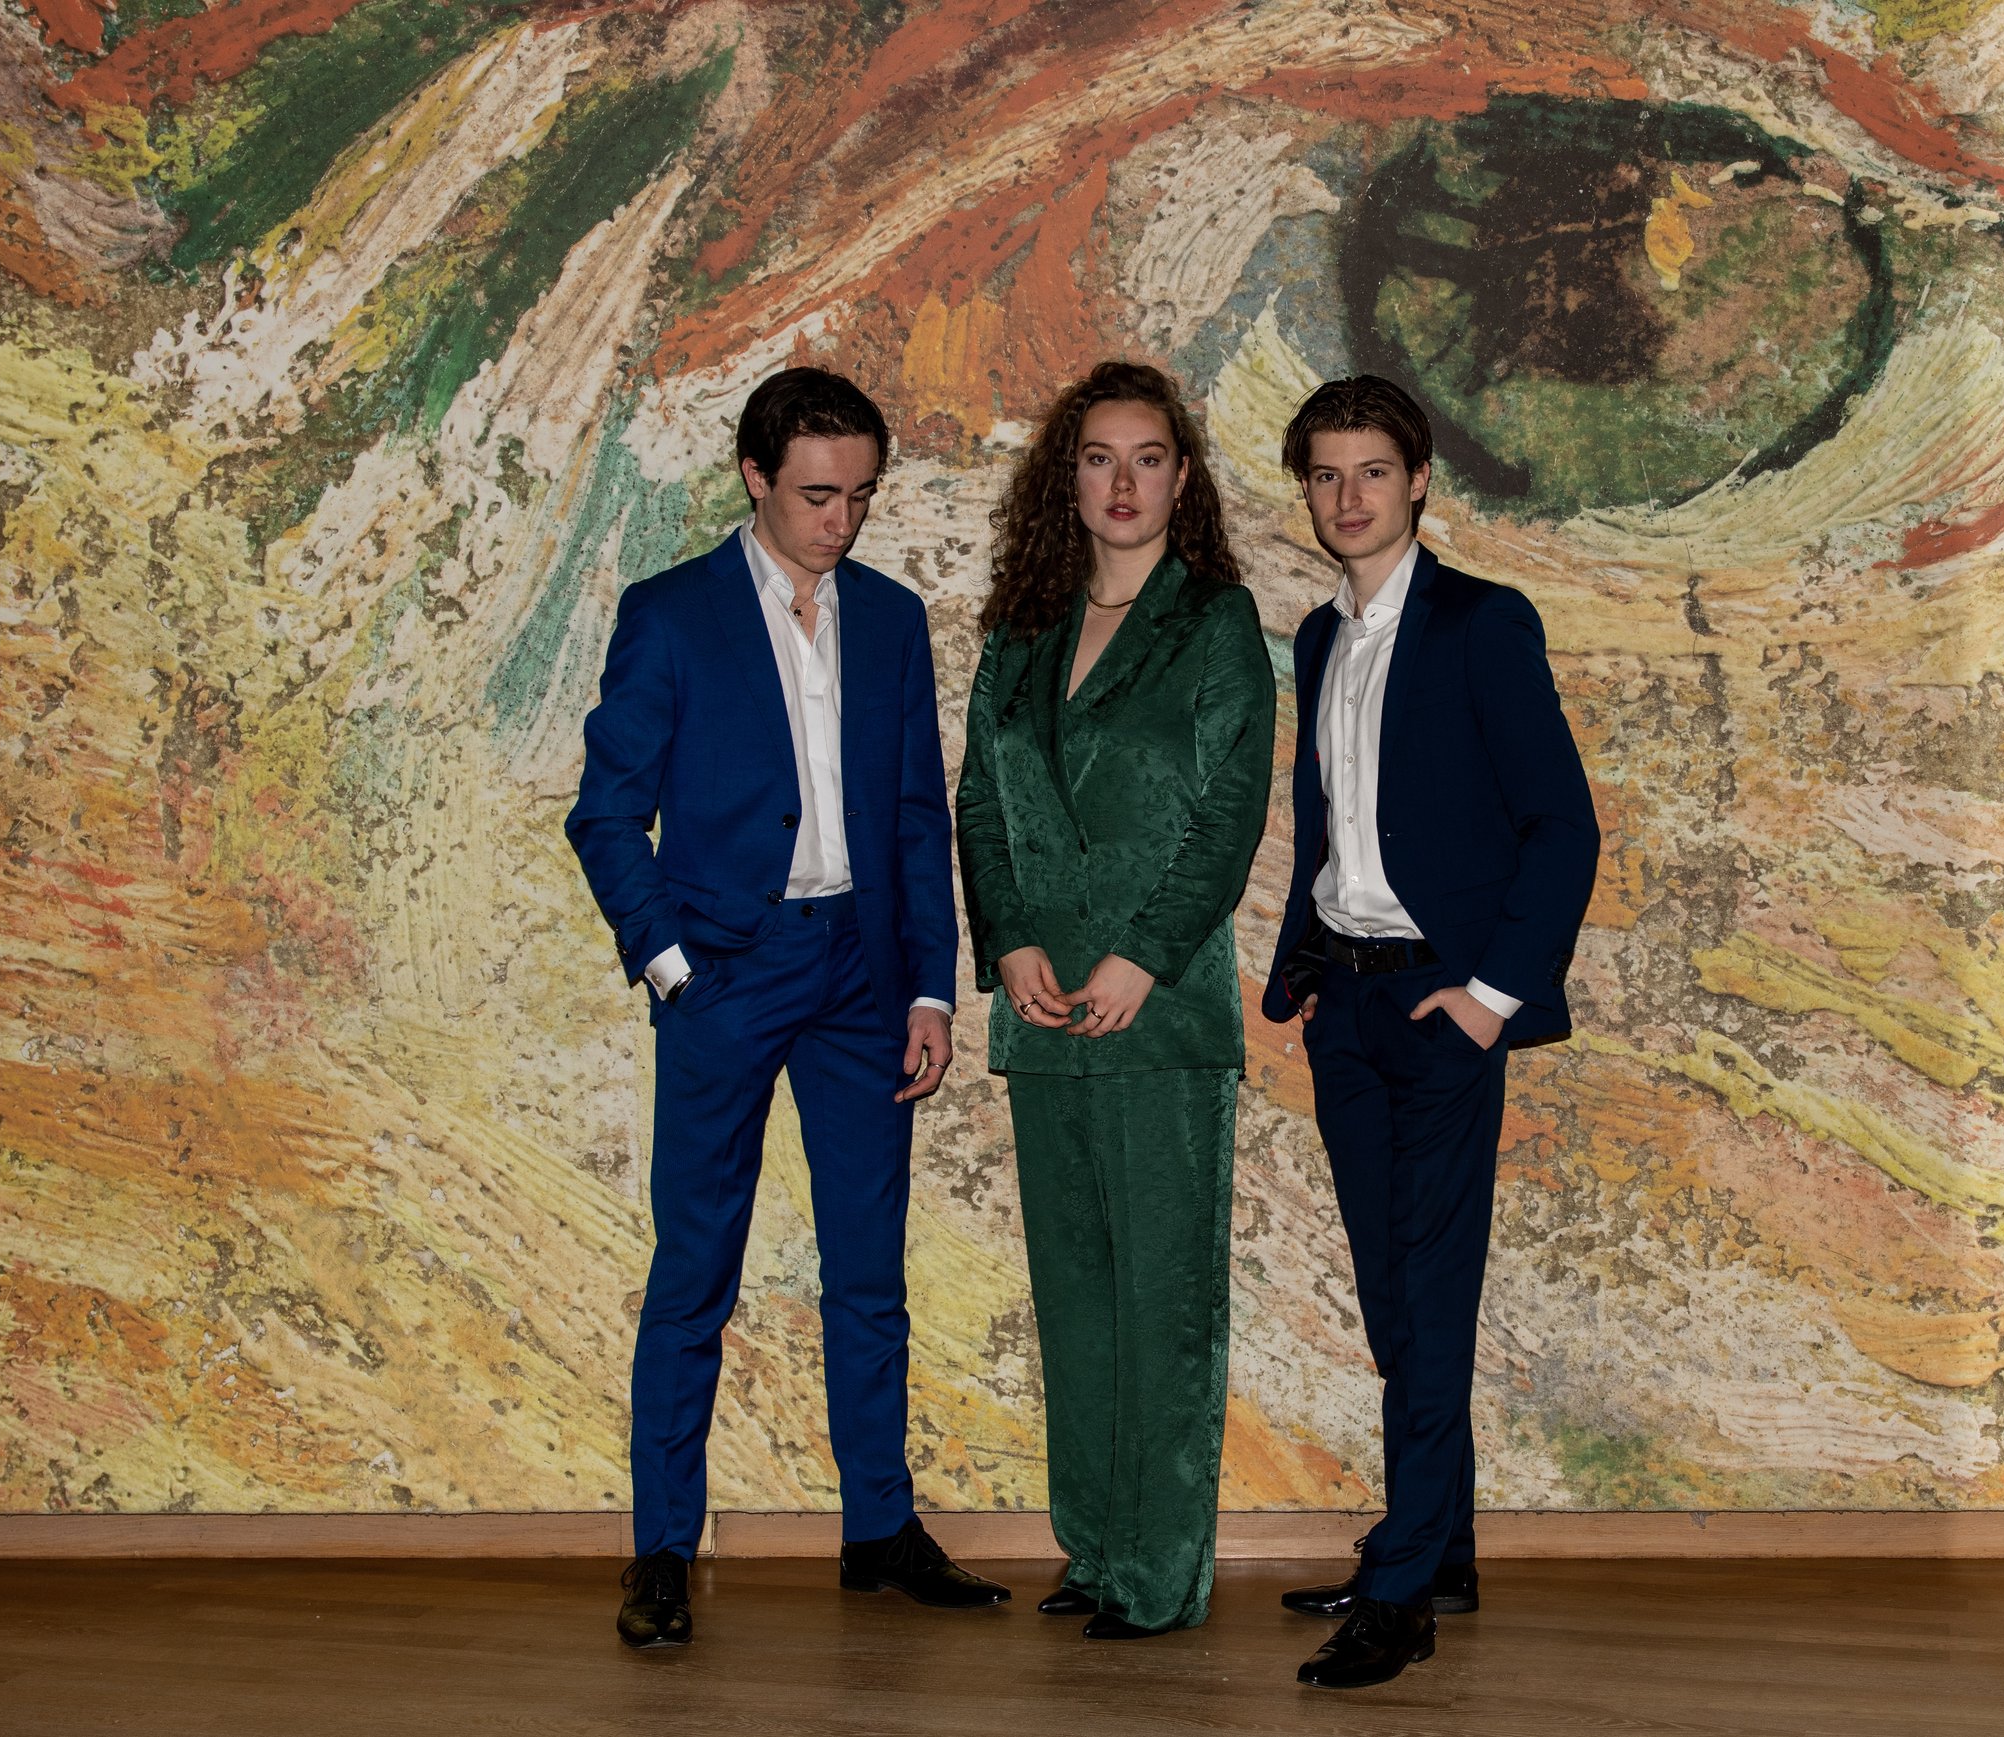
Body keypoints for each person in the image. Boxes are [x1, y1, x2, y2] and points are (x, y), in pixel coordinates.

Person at [567, 366, 1008, 1648]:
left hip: (863, 977)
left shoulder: (892, 619)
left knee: (869, 1271)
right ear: (755, 478)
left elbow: (917, 816)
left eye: (860, 496)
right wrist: (672, 970)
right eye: (818, 494)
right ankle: (662, 1550)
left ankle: (879, 1531)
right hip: (726, 972)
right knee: (693, 1271)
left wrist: (928, 987)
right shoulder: (671, 615)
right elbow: (606, 815)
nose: (840, 520)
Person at [1261, 376, 1600, 1689]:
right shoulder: (1317, 637)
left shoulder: (1479, 623)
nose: (1347, 497)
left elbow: (1559, 825)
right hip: (1346, 1007)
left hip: (1441, 1012)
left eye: (1371, 472)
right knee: (1391, 1294)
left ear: (1416, 483)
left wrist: (1490, 999)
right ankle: (1440, 1542)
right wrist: (1304, 964)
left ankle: (1400, 1590)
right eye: (1325, 475)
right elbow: (1334, 819)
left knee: (1432, 1289)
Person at [955, 360, 1275, 1640]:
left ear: (1181, 479)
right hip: (1042, 1016)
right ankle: (1093, 1549)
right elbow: (980, 803)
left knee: (1163, 1306)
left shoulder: (1215, 623)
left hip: (1159, 1012)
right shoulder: (1020, 630)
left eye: (1148, 458)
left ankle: (1157, 1571)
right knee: (1079, 1304)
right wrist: (1010, 943)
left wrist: (1142, 955)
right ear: (1067, 479)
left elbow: (1227, 815)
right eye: (1099, 458)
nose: (1123, 482)